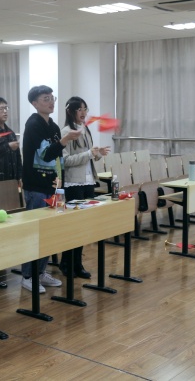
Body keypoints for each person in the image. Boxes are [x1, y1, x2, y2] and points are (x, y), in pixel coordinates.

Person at [20, 85, 81, 293]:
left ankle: (40, 272)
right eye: (45, 98)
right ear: (35, 103)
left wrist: (60, 179)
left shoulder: (53, 126)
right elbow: (45, 154)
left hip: (52, 185)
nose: (51, 102)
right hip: (36, 185)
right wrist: (65, 140)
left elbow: (57, 158)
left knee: (47, 231)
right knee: (35, 231)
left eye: (52, 98)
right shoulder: (33, 124)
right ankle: (28, 275)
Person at [59, 97, 110, 279]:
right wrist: (89, 154)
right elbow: (66, 160)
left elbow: (88, 155)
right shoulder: (66, 131)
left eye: (85, 109)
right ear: (70, 111)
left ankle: (78, 264)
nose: (83, 113)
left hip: (88, 182)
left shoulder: (85, 129)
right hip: (74, 183)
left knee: (83, 226)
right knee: (73, 226)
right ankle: (66, 263)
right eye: (79, 109)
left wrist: (97, 154)